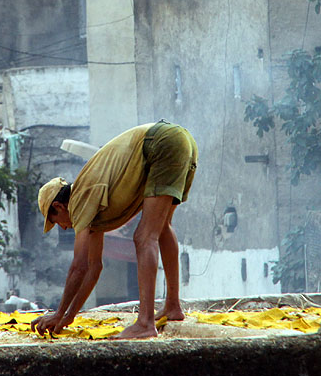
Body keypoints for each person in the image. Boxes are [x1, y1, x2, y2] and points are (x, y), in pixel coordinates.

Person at [30, 120, 198, 340]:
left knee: (144, 236)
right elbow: (94, 267)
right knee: (163, 226)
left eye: (56, 221)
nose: (62, 226)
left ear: (59, 206)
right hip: (181, 139)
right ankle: (173, 306)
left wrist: (58, 313)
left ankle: (145, 323)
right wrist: (67, 317)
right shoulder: (90, 204)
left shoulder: (79, 198)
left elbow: (78, 266)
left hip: (161, 143)